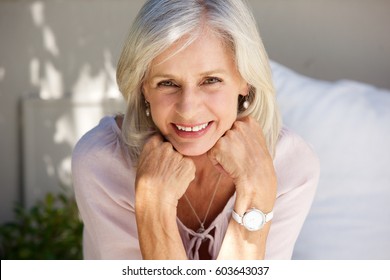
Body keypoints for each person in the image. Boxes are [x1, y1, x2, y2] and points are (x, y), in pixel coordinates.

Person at [72, 0, 320, 260]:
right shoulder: (101, 164)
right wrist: (153, 209)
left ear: (245, 81)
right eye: (167, 83)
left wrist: (256, 190)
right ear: (143, 86)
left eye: (211, 80)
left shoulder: (292, 165)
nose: (188, 109)